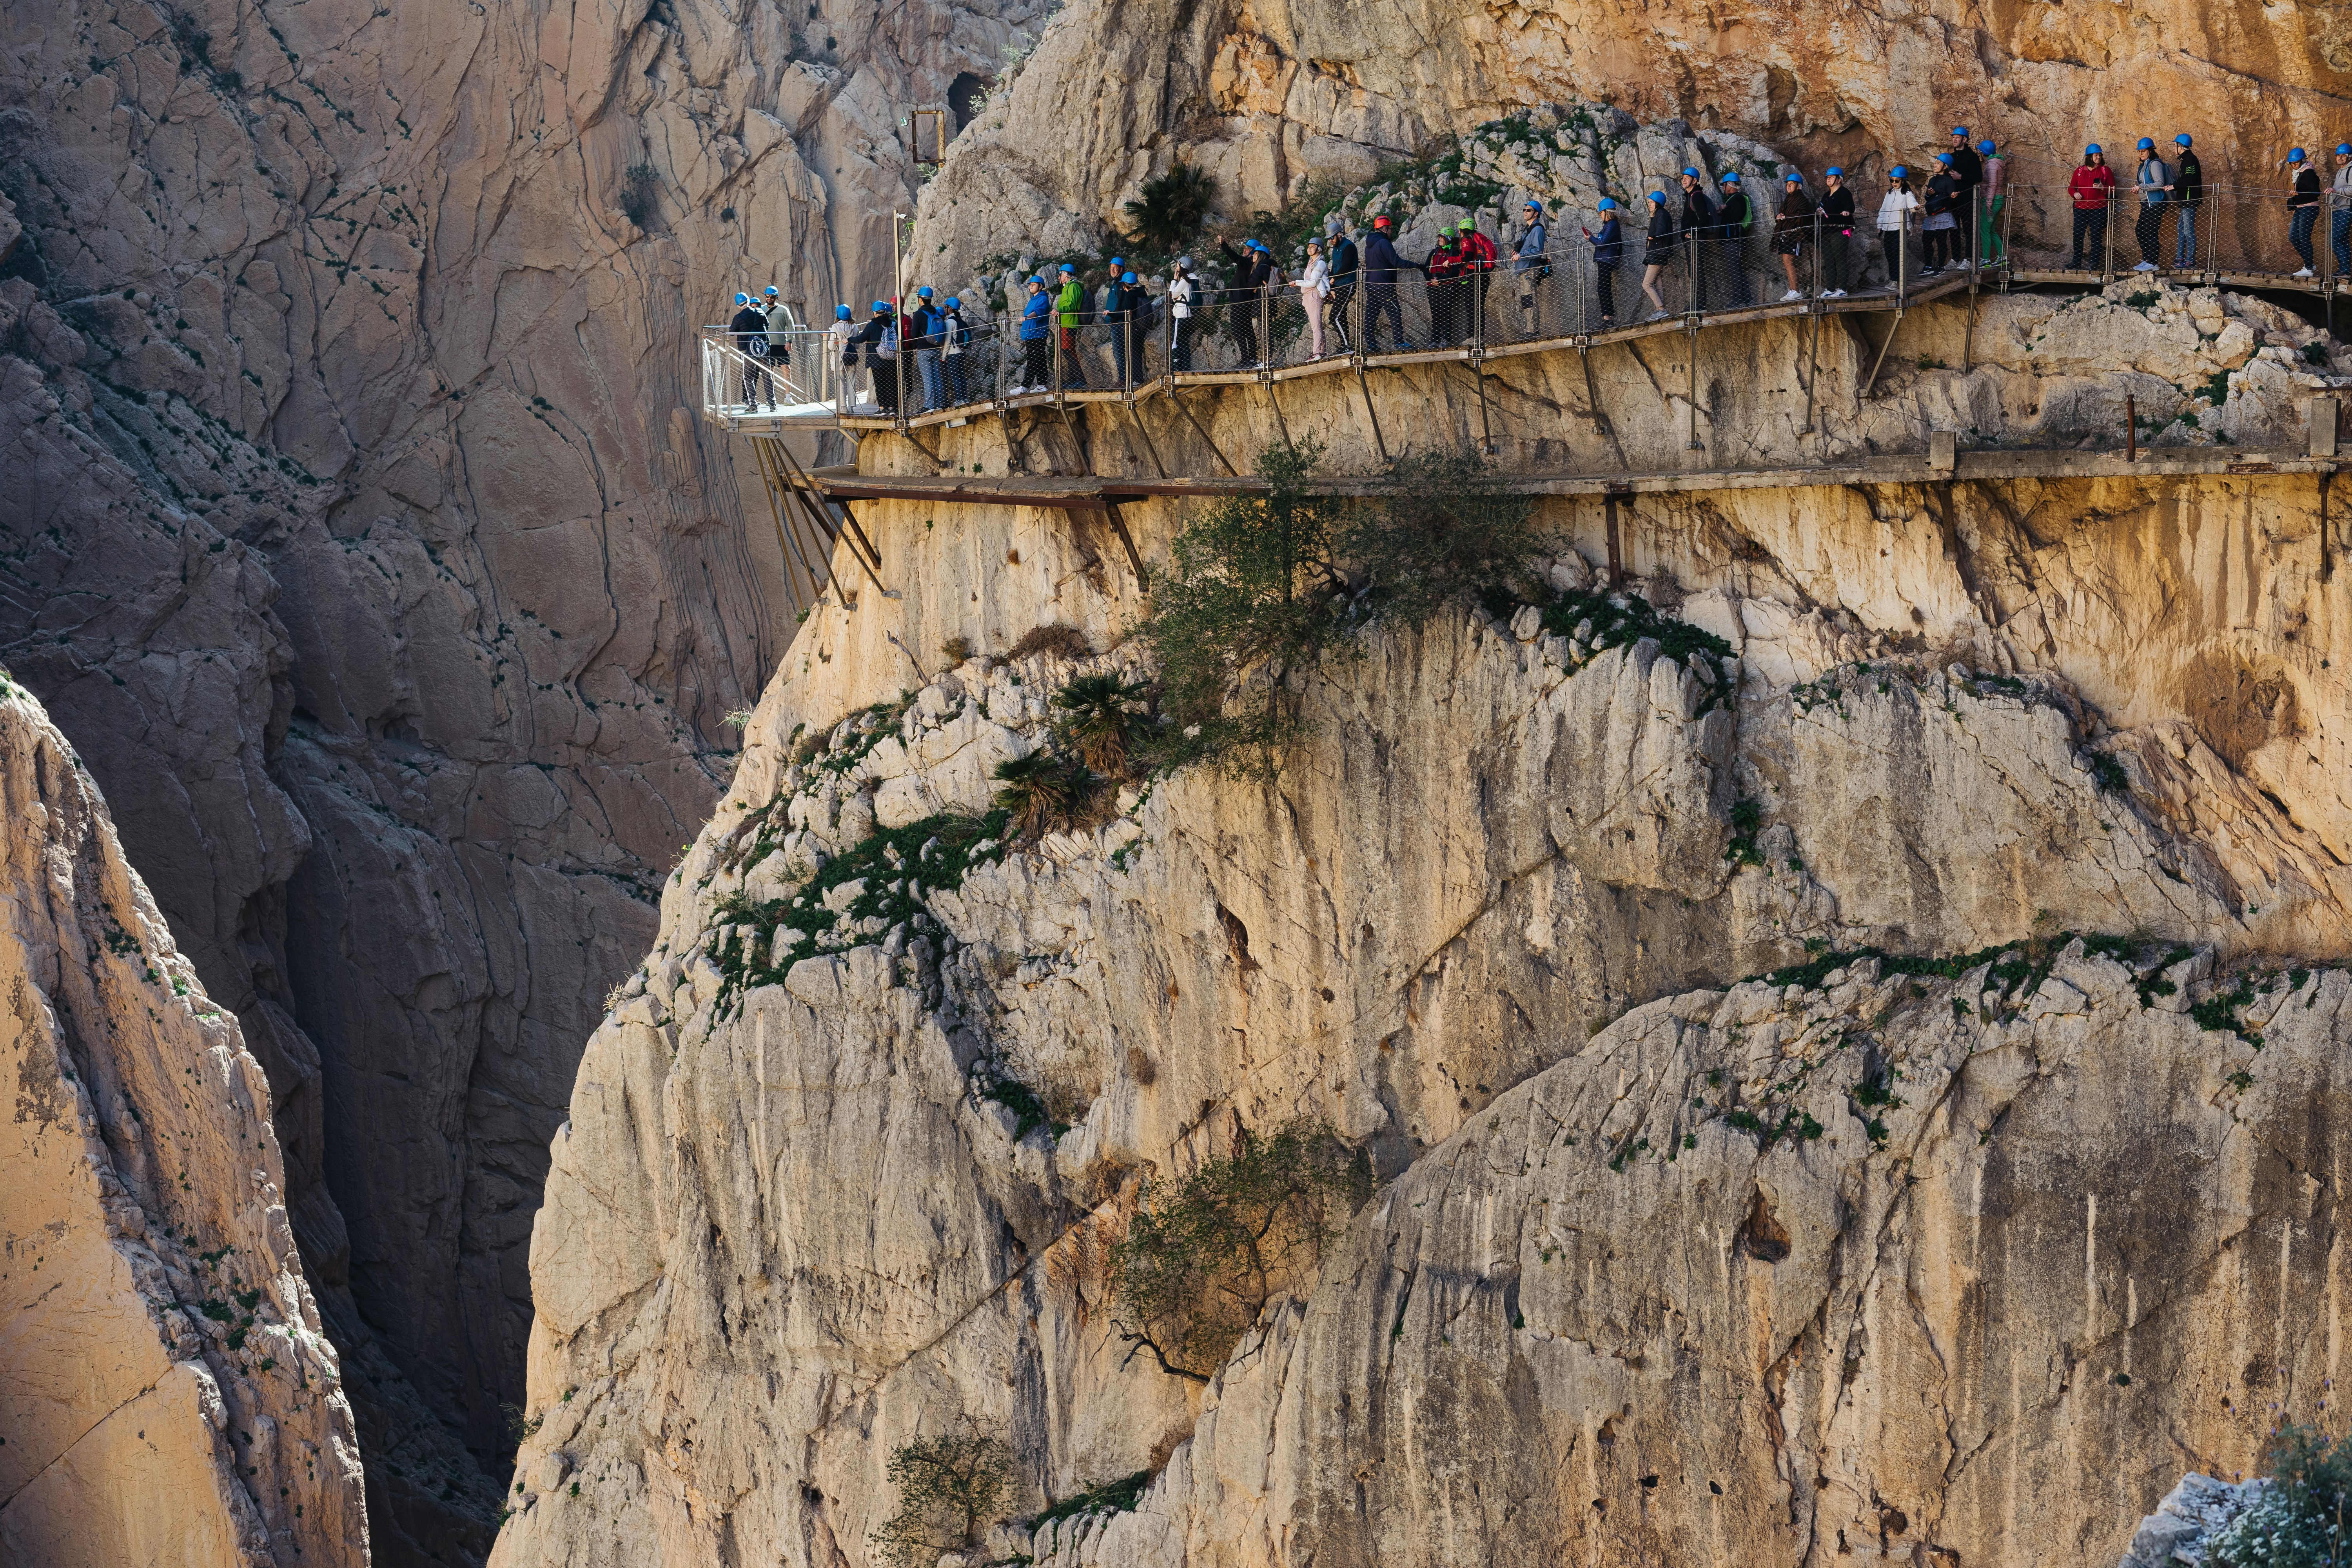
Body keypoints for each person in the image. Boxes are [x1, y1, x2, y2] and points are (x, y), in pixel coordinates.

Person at [1362, 214, 1409, 350]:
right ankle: (1399, 342)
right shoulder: (1384, 243)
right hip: (1384, 286)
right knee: (1395, 312)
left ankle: (1371, 344)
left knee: (1371, 316)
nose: (1391, 232)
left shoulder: (1369, 246)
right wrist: (1417, 265)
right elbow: (1397, 262)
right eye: (1390, 229)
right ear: (1384, 229)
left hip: (1371, 285)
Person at [2067, 145, 2116, 269]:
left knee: (2096, 235)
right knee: (2078, 234)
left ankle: (2094, 263)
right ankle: (2076, 261)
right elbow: (2072, 187)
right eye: (2096, 155)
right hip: (2080, 208)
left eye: (2100, 155)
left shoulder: (2106, 171)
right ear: (2090, 157)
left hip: (2099, 209)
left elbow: (2113, 190)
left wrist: (2103, 188)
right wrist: (2075, 193)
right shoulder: (2079, 171)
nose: (2099, 157)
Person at [1679, 167, 1718, 308]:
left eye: (1688, 178)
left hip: (1695, 240)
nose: (1684, 179)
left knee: (1696, 271)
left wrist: (1692, 233)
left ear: (1695, 181)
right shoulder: (1691, 196)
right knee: (1694, 271)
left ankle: (1699, 304)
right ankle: (1696, 303)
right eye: (1683, 177)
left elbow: (1704, 218)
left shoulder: (1696, 196)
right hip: (1692, 240)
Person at [1513, 199, 1550, 336]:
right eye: (1525, 210)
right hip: (1523, 269)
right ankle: (1530, 329)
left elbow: (1538, 250)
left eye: (1528, 210)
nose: (1525, 212)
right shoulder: (1527, 230)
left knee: (1530, 299)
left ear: (1536, 214)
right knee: (1526, 300)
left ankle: (1533, 330)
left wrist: (1521, 255)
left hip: (1530, 269)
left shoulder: (1538, 229)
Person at [1877, 167, 1919, 289]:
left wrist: (1916, 208)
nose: (1894, 183)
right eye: (1892, 181)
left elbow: (1912, 205)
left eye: (1897, 181)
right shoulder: (1889, 194)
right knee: (1889, 254)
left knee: (1897, 254)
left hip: (1900, 228)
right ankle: (1893, 279)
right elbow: (1883, 210)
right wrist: (1880, 225)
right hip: (1888, 228)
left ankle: (1897, 280)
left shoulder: (1907, 194)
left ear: (1903, 181)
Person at [728, 292, 772, 408]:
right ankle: (773, 404)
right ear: (748, 301)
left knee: (749, 377)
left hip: (748, 351)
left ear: (738, 305)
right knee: (767, 375)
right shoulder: (760, 311)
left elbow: (732, 332)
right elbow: (767, 326)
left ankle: (753, 405)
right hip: (763, 349)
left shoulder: (738, 318)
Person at [1773, 172, 1813, 299]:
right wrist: (1779, 216)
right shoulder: (1788, 199)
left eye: (1792, 184)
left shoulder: (1802, 200)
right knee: (1786, 261)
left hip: (1796, 234)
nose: (1789, 186)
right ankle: (1792, 290)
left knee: (1789, 261)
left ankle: (1796, 291)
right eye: (1788, 184)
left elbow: (1804, 216)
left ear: (1798, 187)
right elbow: (1783, 213)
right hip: (1786, 233)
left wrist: (1786, 217)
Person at [1584, 196, 1624, 327]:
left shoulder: (1612, 225)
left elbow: (1601, 244)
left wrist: (1590, 238)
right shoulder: (1610, 225)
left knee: (1603, 289)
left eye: (1601, 213)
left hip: (1607, 260)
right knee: (1604, 288)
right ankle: (1608, 318)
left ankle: (1608, 319)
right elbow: (1603, 240)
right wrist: (1592, 236)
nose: (1600, 215)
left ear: (1608, 212)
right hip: (1606, 259)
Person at [2132, 138, 2171, 271]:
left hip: (2156, 203)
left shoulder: (2155, 164)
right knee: (2140, 230)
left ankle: (2153, 263)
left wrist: (2142, 187)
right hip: (2146, 203)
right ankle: (2147, 260)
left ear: (2150, 151)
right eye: (2139, 151)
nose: (2141, 154)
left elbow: (2160, 183)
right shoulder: (2144, 165)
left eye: (2143, 151)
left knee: (2151, 231)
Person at [1947, 128, 1983, 265]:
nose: (1954, 140)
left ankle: (1969, 259)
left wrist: (1960, 177)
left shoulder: (1972, 157)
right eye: (1953, 137)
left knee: (1969, 230)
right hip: (1953, 200)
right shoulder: (1951, 157)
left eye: (1958, 137)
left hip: (1968, 199)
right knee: (1954, 230)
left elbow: (1978, 177)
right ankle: (1955, 259)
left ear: (1965, 140)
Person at [1819, 167, 1856, 297]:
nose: (1828, 179)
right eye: (1827, 178)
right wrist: (1818, 211)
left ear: (1839, 179)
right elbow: (1820, 207)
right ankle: (1830, 289)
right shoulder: (1826, 195)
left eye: (1831, 177)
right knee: (1829, 260)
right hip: (1826, 231)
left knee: (1840, 258)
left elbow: (1851, 207)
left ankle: (1843, 289)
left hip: (1840, 230)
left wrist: (1847, 212)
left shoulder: (1844, 192)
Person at [907, 285, 944, 410]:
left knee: (928, 379)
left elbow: (913, 334)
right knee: (937, 377)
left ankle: (929, 405)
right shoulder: (936, 311)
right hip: (936, 348)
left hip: (924, 350)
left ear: (921, 299)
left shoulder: (918, 314)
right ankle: (940, 404)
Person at [1425, 223, 1464, 343]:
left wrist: (1441, 281)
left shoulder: (1455, 252)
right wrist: (1431, 280)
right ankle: (1435, 340)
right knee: (1435, 314)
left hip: (1448, 285)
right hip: (1432, 286)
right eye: (1439, 237)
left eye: (1442, 237)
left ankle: (1446, 339)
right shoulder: (1434, 252)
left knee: (1445, 311)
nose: (1440, 239)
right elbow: (1426, 267)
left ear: (1449, 239)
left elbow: (1455, 271)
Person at [1052, 262, 1090, 387]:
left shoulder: (1074, 287)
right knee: (1068, 351)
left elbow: (1072, 305)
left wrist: (1060, 311)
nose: (1059, 278)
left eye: (1060, 275)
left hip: (1071, 323)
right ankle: (1073, 380)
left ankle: (1081, 380)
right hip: (1066, 323)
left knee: (1068, 351)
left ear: (1065, 275)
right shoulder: (1067, 287)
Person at [1641, 190, 1677, 318]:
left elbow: (1661, 231)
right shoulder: (1660, 214)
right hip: (1660, 253)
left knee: (1647, 284)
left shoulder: (1661, 214)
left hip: (1658, 253)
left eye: (1651, 202)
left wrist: (1653, 237)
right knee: (1658, 283)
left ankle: (1661, 309)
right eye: (1649, 202)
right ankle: (1660, 310)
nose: (1649, 205)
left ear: (1658, 203)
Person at [1109, 270, 1149, 385]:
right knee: (1137, 353)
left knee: (1133, 353)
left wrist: (1111, 314)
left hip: (1134, 327)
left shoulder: (1130, 295)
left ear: (1125, 285)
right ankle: (1138, 379)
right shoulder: (1141, 292)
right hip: (1142, 326)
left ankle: (1136, 380)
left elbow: (1125, 313)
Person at [1922, 155, 1959, 274]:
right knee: (1926, 239)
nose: (1935, 165)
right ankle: (1928, 266)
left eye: (1938, 163)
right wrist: (1928, 193)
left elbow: (1952, 199)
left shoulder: (1949, 180)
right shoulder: (1933, 180)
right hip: (1932, 215)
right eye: (1936, 162)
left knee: (1941, 241)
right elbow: (1927, 198)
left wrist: (1954, 197)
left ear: (1945, 167)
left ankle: (1941, 266)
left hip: (1943, 215)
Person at [1295, 238, 1331, 358]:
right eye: (1309, 246)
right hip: (1308, 296)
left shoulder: (1320, 263)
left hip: (1314, 295)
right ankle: (1322, 352)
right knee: (1317, 325)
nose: (1309, 248)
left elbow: (1313, 282)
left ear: (1319, 249)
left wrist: (1297, 282)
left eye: (1312, 246)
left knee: (1316, 326)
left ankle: (1316, 353)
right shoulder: (1311, 263)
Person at [1325, 223, 1359, 351]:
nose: (1330, 241)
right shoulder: (1335, 249)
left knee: (1334, 317)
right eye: (1329, 239)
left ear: (1339, 235)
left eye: (1332, 238)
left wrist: (1333, 279)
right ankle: (1346, 345)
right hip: (1339, 286)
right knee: (1341, 316)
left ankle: (1346, 346)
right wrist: (1332, 286)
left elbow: (1345, 267)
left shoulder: (1349, 247)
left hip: (1348, 283)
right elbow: (1335, 267)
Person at [2289, 148, 2322, 277]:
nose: (2294, 165)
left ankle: (2308, 269)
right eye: (2292, 163)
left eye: (2296, 162)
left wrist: (2298, 193)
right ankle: (2310, 264)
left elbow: (2316, 193)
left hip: (2309, 208)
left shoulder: (2308, 172)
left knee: (2304, 237)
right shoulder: (2299, 173)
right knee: (2293, 236)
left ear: (2303, 160)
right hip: (2301, 208)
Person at [2172, 134, 2203, 270]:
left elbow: (2190, 179)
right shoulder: (2185, 160)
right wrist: (2174, 185)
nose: (2174, 148)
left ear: (2181, 146)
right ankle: (2180, 258)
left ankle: (2190, 260)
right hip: (2185, 201)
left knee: (2188, 230)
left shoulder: (2191, 160)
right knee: (2181, 228)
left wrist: (2174, 186)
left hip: (2190, 201)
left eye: (2175, 145)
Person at [1016, 275, 1052, 392]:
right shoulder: (1033, 300)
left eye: (1034, 284)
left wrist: (1026, 318)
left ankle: (1025, 387)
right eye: (1030, 285)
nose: (1031, 286)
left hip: (1037, 334)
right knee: (1039, 359)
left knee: (1033, 360)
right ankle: (1041, 385)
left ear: (1040, 287)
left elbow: (1037, 313)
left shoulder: (1043, 299)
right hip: (1031, 334)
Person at [1977, 141, 2007, 265]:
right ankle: (2002, 258)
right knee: (1991, 230)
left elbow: (1993, 185)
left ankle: (1986, 260)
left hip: (1993, 201)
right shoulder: (1997, 162)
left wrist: (1989, 202)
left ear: (1983, 152)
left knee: (1984, 230)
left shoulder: (1991, 165)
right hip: (1997, 200)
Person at [1169, 256, 1199, 372]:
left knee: (1175, 342)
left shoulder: (1185, 281)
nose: (1176, 268)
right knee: (1184, 341)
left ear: (1181, 267)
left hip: (1181, 316)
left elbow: (1173, 294)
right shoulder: (1192, 279)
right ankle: (1186, 368)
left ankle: (1176, 369)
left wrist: (1174, 280)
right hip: (1188, 316)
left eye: (1177, 266)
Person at [940, 294, 970, 403]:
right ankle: (965, 398)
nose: (944, 309)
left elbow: (948, 341)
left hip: (953, 354)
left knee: (955, 377)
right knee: (962, 377)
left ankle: (959, 400)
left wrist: (944, 356)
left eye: (946, 307)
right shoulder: (960, 320)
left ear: (950, 308)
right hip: (962, 352)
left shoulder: (949, 322)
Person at [828, 303, 857, 407]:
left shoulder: (835, 328)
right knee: (852, 381)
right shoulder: (855, 327)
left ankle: (843, 407)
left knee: (840, 382)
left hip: (839, 357)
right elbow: (856, 345)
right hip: (851, 356)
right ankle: (852, 407)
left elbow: (831, 346)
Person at [2333, 143, 2352, 278]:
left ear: (2350, 157)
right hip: (2338, 209)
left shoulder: (2351, 169)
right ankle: (2346, 270)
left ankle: (2345, 270)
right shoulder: (2341, 170)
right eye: (2338, 155)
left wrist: (2336, 191)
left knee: (2335, 240)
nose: (2340, 158)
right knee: (2343, 240)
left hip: (2345, 209)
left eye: (2343, 156)